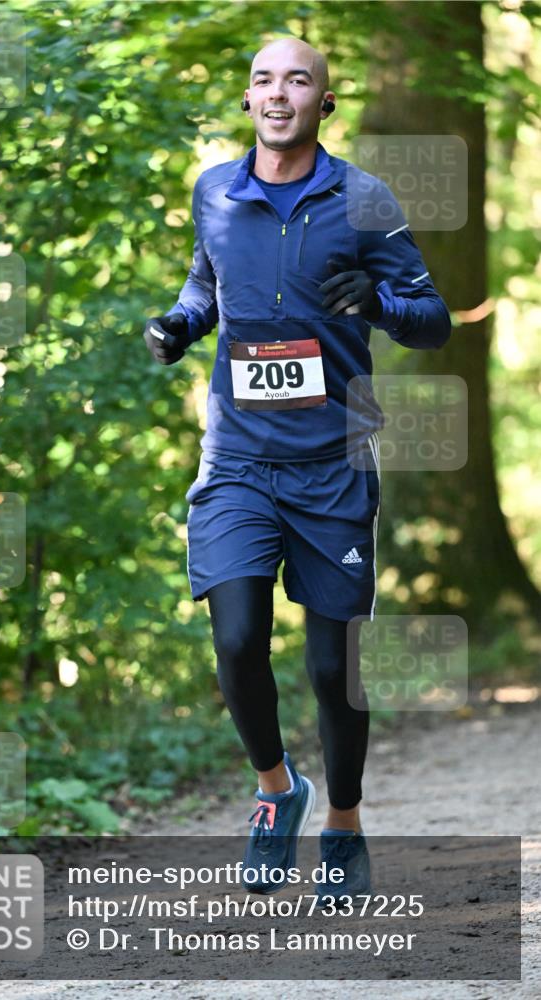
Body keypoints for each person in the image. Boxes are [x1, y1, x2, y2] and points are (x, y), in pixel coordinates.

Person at [143, 37, 451, 903]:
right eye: (264, 80)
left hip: (334, 461)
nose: (279, 93)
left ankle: (344, 823)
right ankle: (278, 792)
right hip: (239, 457)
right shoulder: (214, 191)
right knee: (236, 637)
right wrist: (177, 326)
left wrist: (379, 302)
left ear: (325, 101)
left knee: (331, 667)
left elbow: (432, 320)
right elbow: (207, 288)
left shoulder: (361, 197)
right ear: (248, 100)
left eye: (299, 80)